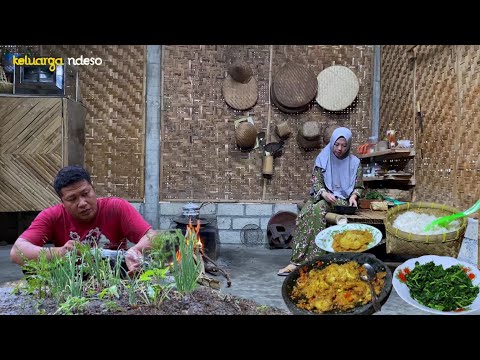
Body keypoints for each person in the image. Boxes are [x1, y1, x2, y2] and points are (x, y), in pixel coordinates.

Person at [10, 165, 155, 276]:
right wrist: (61, 252)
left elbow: (152, 236)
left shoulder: (116, 207)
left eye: (86, 193)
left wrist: (135, 250)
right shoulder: (51, 215)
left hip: (114, 274)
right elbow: (17, 252)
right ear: (62, 201)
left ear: (93, 189)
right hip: (71, 277)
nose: (82, 203)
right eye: (72, 199)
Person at [278, 127, 364, 276]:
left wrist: (354, 196)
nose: (339, 149)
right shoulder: (323, 157)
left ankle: (314, 262)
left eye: (344, 146)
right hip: (322, 196)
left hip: (341, 201)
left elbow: (358, 186)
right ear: (332, 143)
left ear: (349, 145)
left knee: (318, 210)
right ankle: (296, 261)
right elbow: (316, 182)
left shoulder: (355, 163)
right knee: (306, 213)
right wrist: (324, 192)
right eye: (337, 144)